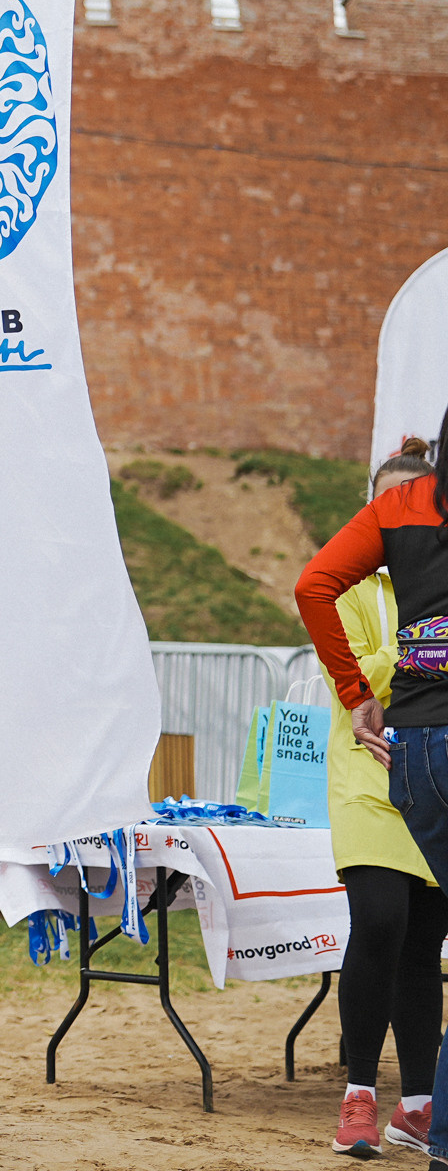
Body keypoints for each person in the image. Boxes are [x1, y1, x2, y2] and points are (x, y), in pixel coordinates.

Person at [298, 410, 448, 1170]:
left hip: (429, 770)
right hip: (366, 773)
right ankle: (358, 1093)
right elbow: (355, 668)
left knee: (425, 944)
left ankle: (417, 1106)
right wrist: (420, 658)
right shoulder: (354, 581)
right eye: (385, 504)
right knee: (380, 922)